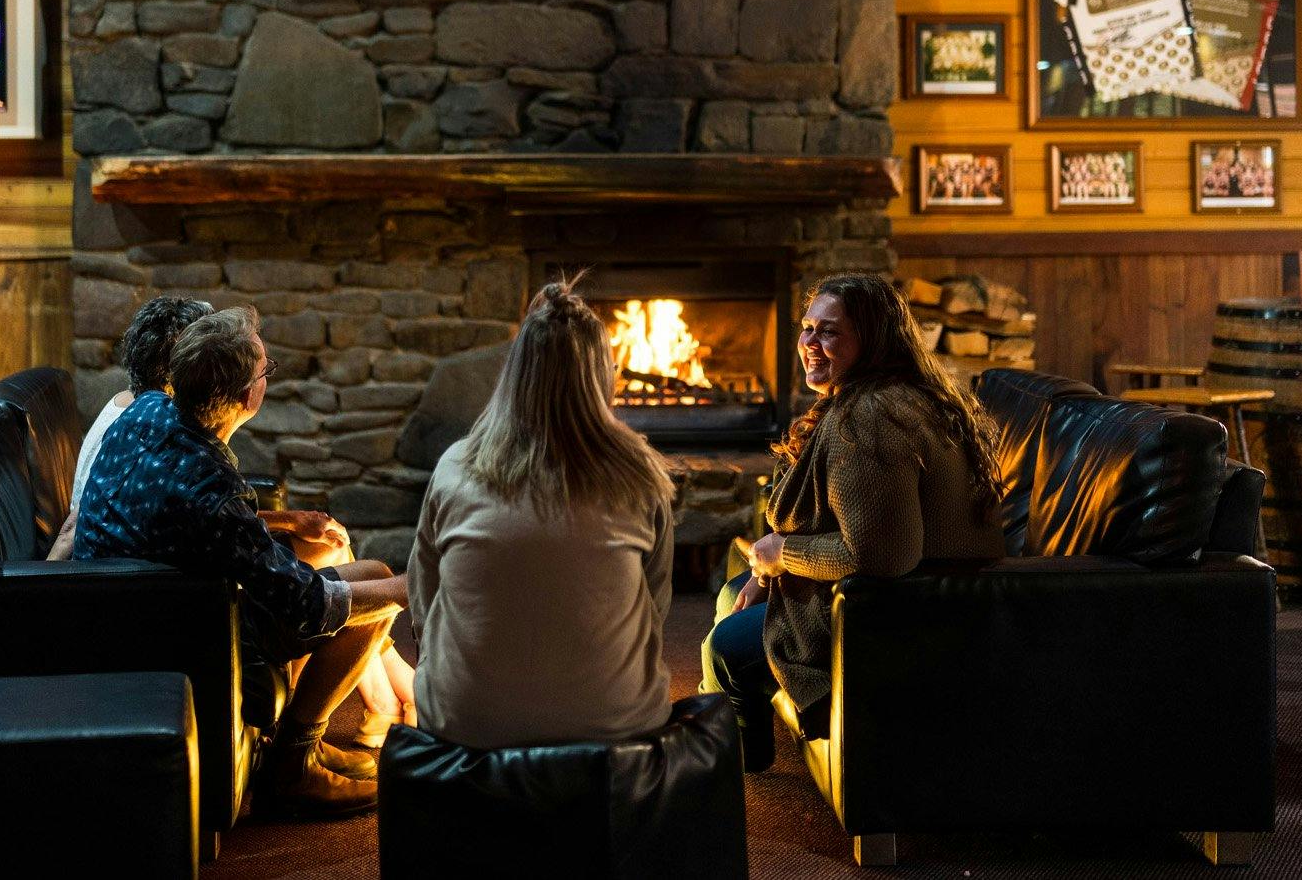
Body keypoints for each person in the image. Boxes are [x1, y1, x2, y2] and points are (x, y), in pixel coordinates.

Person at [73, 306, 408, 815]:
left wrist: (288, 525)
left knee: (357, 571)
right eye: (265, 370)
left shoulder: (147, 410)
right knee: (377, 589)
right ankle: (293, 764)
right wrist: (409, 588)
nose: (268, 377)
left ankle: (305, 744)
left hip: (136, 607)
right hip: (185, 629)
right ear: (247, 396)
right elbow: (305, 602)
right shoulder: (211, 488)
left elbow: (203, 520)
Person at [701, 274, 1007, 771]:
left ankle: (724, 757)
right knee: (731, 595)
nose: (809, 342)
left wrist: (781, 554)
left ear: (874, 341)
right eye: (807, 328)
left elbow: (882, 556)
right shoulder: (898, 393)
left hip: (896, 612)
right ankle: (733, 737)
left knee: (723, 646)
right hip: (900, 595)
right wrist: (764, 572)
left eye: (829, 332)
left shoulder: (872, 418)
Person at [408, 279, 675, 749]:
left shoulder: (454, 466)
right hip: (618, 722)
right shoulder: (640, 475)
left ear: (514, 373)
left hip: (463, 720)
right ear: (603, 376)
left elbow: (425, 598)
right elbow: (654, 607)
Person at [48, 295, 212, 561]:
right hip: (114, 576)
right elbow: (72, 530)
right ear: (184, 366)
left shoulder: (125, 402)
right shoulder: (143, 434)